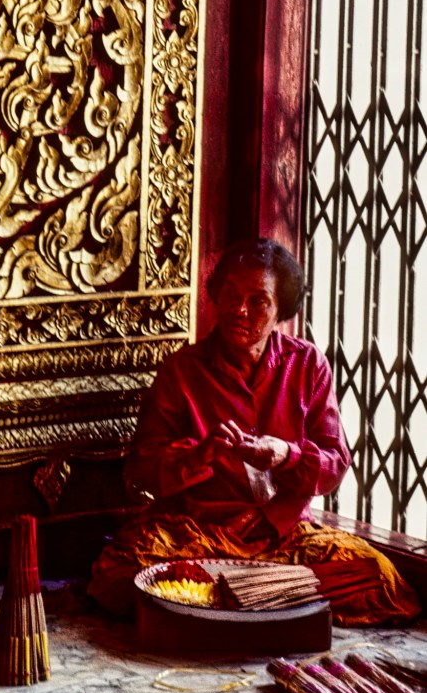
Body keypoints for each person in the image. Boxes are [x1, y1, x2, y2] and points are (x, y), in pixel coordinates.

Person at [88, 238, 421, 626]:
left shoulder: (307, 365)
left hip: (285, 537)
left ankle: (226, 602)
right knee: (118, 574)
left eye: (258, 301)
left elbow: (334, 463)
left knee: (382, 580)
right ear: (216, 296)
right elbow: (142, 468)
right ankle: (273, 600)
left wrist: (286, 455)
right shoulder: (181, 370)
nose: (239, 310)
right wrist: (199, 456)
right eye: (230, 295)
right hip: (197, 536)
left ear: (281, 310)